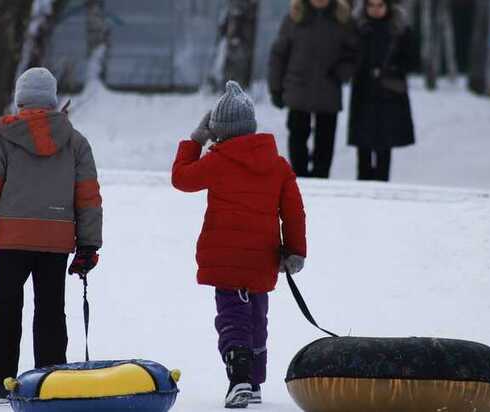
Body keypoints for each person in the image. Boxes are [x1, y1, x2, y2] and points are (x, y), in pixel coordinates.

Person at [0, 67, 103, 404]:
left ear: (20, 99)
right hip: (55, 242)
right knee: (51, 312)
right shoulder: (74, 141)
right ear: (52, 99)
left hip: (12, 240)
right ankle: (51, 383)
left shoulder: (2, 138)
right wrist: (88, 245)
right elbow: (88, 196)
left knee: (6, 310)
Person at [172, 81, 307, 409]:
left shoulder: (218, 161)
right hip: (263, 259)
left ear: (219, 131)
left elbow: (182, 178)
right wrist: (295, 251)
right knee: (257, 318)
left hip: (226, 260)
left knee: (233, 318)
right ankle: (255, 381)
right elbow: (293, 212)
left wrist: (195, 140)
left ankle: (239, 380)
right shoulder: (277, 165)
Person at [269, 0, 359, 178]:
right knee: (297, 136)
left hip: (329, 89)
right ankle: (300, 179)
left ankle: (321, 179)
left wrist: (341, 72)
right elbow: (279, 54)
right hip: (297, 88)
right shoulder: (294, 16)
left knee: (325, 140)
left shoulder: (343, 19)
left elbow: (354, 53)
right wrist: (275, 88)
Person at [348, 0, 416, 181]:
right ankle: (363, 186)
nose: (376, 10)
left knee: (385, 145)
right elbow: (348, 54)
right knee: (363, 145)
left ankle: (381, 188)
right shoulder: (357, 28)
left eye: (380, 5)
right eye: (371, 5)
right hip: (363, 92)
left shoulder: (399, 29)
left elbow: (411, 59)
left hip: (389, 93)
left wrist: (392, 70)